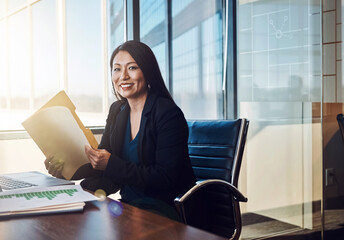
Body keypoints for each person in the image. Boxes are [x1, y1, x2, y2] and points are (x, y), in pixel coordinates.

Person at [45, 40, 195, 220]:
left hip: (164, 208)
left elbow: (165, 177)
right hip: (130, 208)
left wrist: (110, 163)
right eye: (116, 69)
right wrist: (66, 169)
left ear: (148, 72)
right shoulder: (117, 110)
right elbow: (103, 164)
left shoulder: (168, 114)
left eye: (132, 68)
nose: (123, 76)